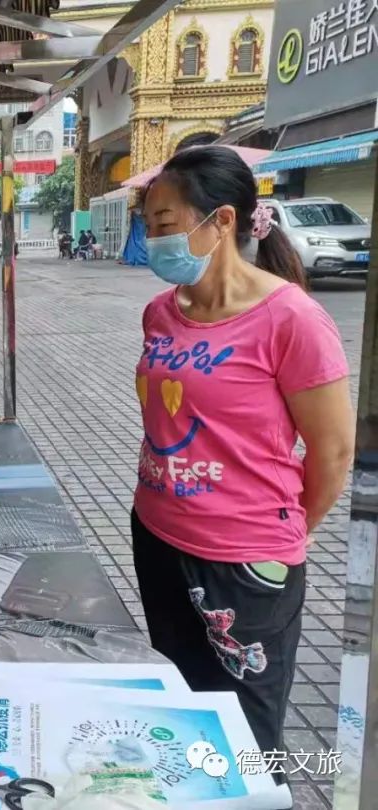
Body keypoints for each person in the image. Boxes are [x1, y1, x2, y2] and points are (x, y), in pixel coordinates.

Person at [133, 146, 353, 768]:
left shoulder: (292, 320)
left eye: (166, 225)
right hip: (157, 534)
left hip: (246, 559)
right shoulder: (161, 314)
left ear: (222, 221)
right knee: (185, 701)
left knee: (249, 736)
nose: (152, 240)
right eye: (148, 226)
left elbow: (334, 453)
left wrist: (272, 539)